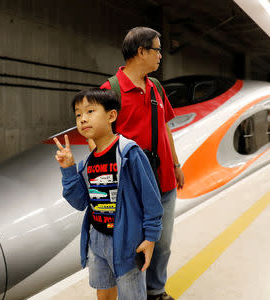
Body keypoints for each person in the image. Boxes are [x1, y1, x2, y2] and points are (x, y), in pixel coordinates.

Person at [53, 88, 163, 300]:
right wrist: (68, 169)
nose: (83, 119)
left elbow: (151, 199)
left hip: (127, 241)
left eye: (90, 111)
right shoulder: (87, 163)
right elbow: (80, 202)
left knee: (132, 295)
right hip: (97, 239)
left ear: (111, 115)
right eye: (78, 114)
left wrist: (151, 238)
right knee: (103, 292)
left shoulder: (129, 153)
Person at [100, 27, 185, 300]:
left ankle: (156, 291)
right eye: (157, 50)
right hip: (132, 188)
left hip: (163, 180)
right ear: (141, 52)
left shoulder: (156, 87)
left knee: (163, 243)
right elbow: (98, 140)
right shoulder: (110, 90)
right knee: (137, 245)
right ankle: (135, 294)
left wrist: (175, 164)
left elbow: (165, 128)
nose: (161, 55)